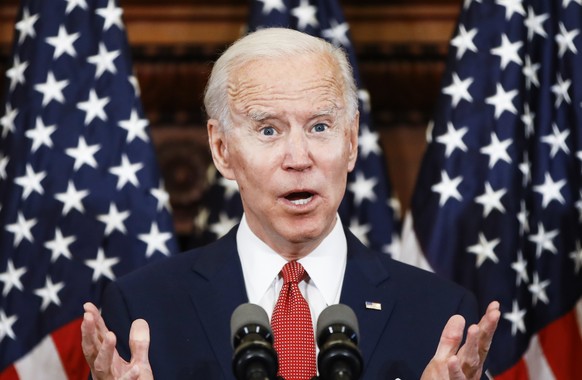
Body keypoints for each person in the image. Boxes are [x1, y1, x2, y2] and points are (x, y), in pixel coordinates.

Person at [81, 27, 500, 380]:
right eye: (268, 130)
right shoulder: (143, 312)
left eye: (320, 126)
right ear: (222, 148)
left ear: (351, 142)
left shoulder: (441, 315)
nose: (299, 158)